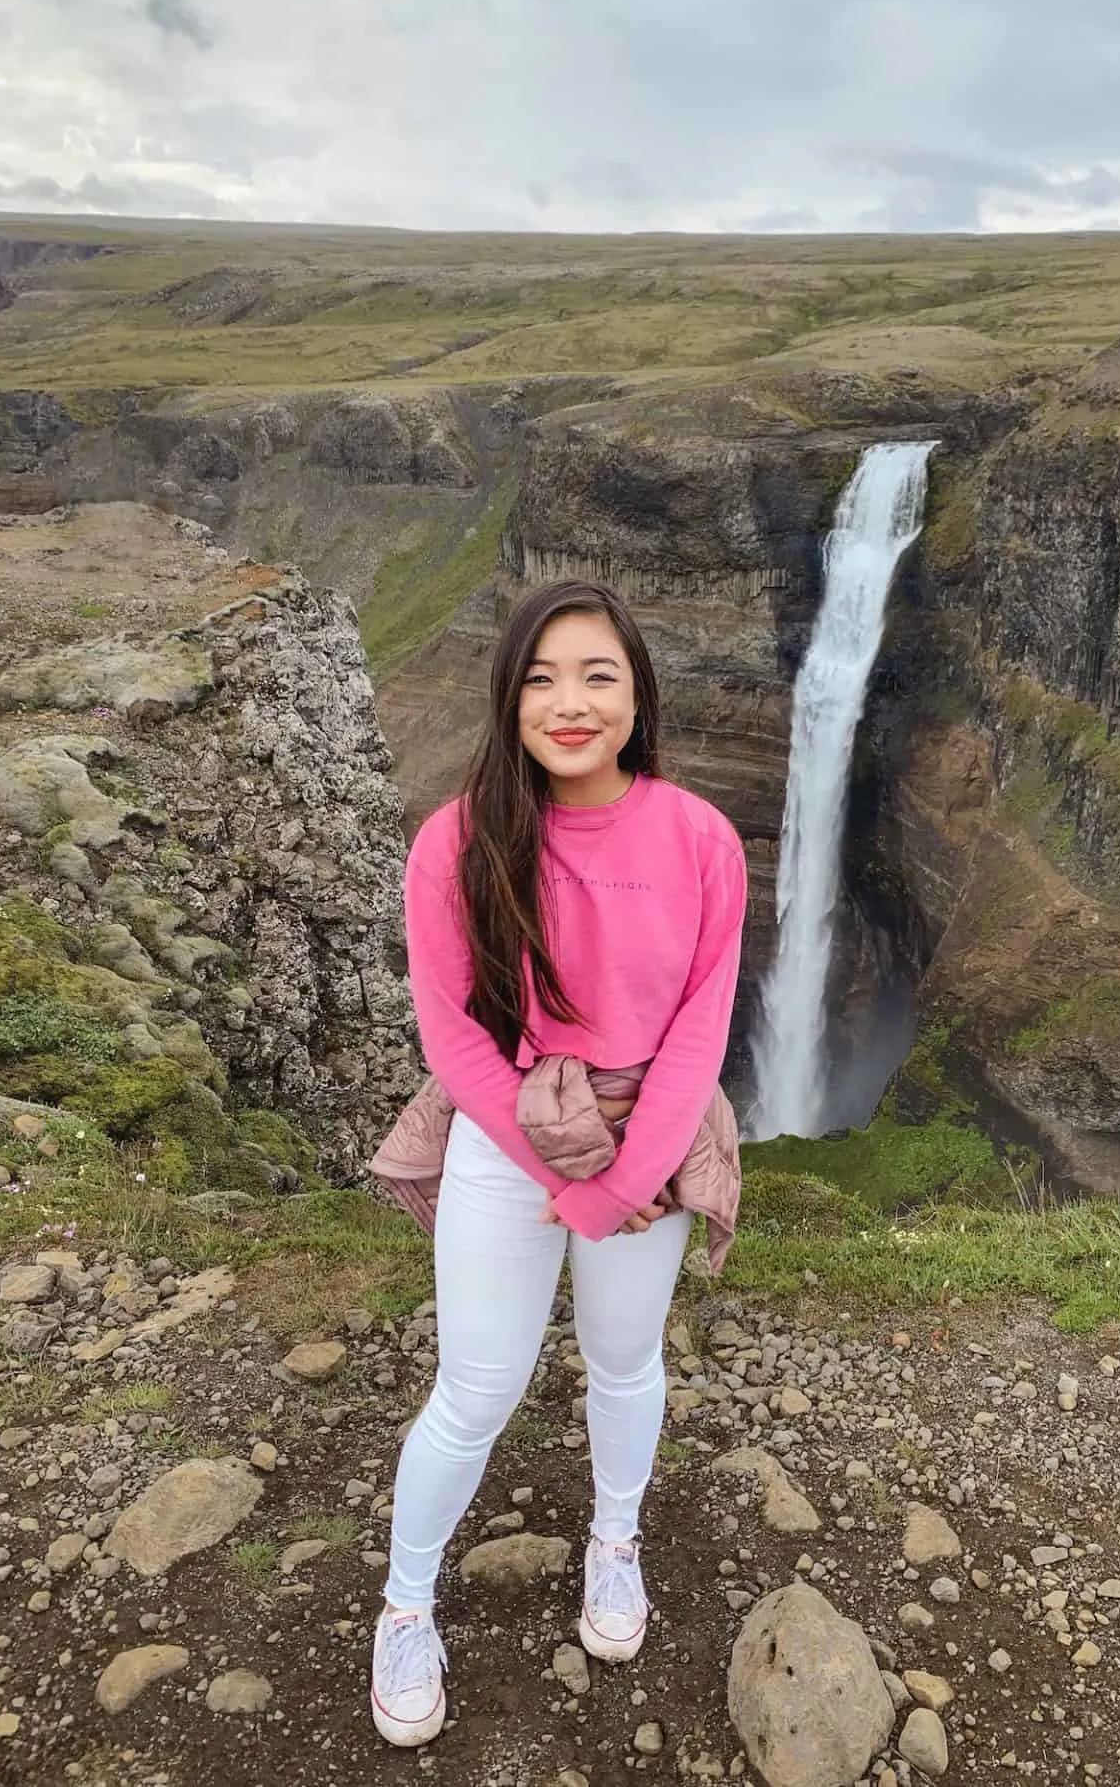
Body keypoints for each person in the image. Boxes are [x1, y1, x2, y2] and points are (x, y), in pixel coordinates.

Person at [371, 578, 748, 1747]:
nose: (569, 702)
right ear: (507, 697)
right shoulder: (457, 841)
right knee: (476, 1388)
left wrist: (626, 1178)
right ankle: (403, 1602)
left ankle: (616, 1542)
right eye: (540, 677)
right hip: (506, 1132)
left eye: (598, 674)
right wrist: (556, 1168)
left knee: (624, 1363)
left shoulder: (701, 837)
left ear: (638, 693)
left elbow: (701, 1021)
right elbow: (452, 1033)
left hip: (653, 1136)